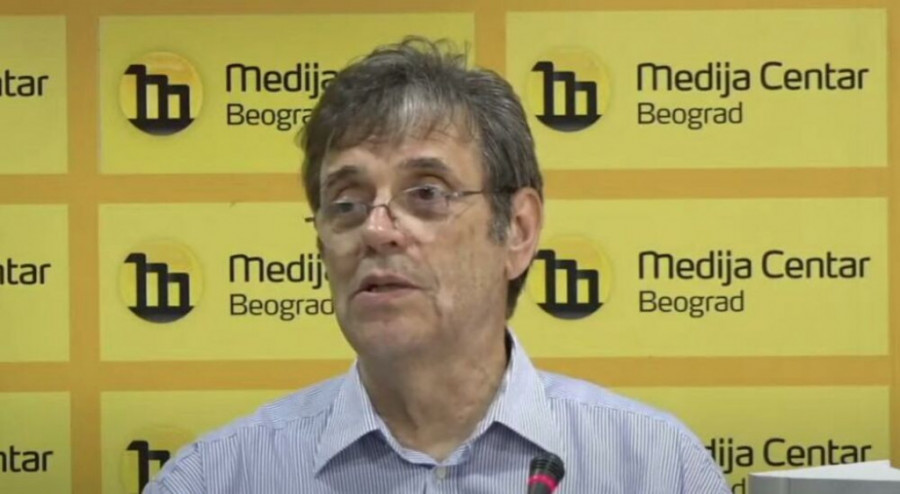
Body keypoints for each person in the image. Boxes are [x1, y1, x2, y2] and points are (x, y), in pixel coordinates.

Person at [144, 37, 730, 493]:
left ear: (518, 230)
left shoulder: (653, 467)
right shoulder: (218, 478)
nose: (376, 230)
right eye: (346, 203)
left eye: (426, 194)